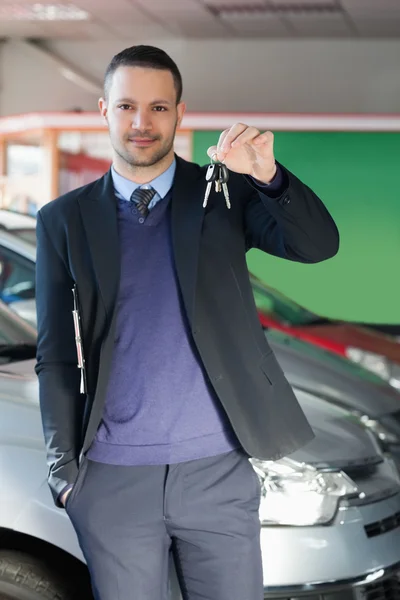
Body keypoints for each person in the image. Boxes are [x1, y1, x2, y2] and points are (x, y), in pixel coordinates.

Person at [35, 45, 339, 600]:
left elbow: (317, 245)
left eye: (157, 108)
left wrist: (268, 175)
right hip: (112, 480)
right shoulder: (63, 220)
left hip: (217, 473)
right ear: (104, 110)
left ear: (179, 113)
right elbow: (55, 354)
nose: (141, 123)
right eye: (127, 106)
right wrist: (65, 472)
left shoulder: (221, 196)